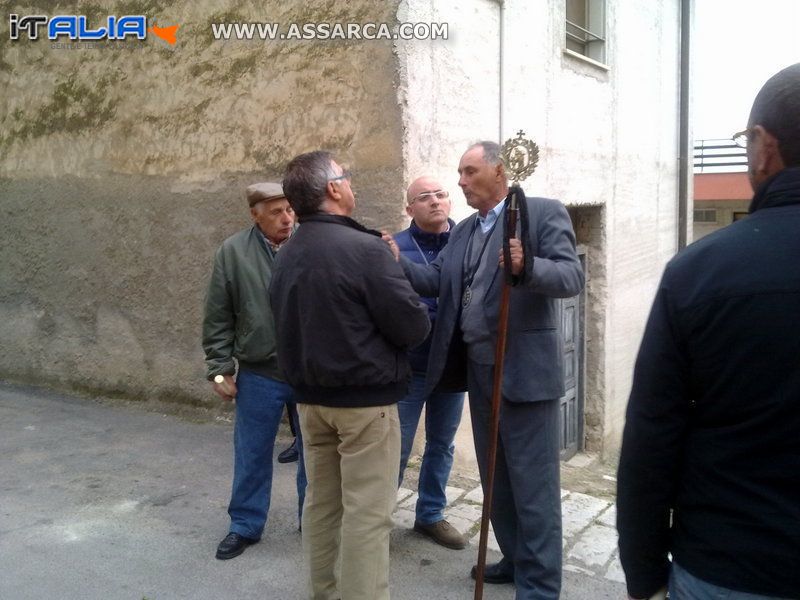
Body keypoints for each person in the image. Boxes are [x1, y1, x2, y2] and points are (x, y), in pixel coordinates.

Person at [617, 63, 800, 600]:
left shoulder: (700, 270)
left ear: (764, 147)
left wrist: (645, 572)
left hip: (729, 566)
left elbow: (652, 436)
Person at [394, 142, 584, 599]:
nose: (459, 181)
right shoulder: (464, 232)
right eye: (459, 172)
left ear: (499, 172)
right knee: (495, 477)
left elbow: (571, 277)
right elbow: (435, 281)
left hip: (524, 373)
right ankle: (517, 559)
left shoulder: (538, 213)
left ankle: (539, 585)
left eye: (469, 171)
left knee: (533, 486)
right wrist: (395, 259)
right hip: (478, 371)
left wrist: (527, 266)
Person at [269, 151, 430, 600]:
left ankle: (323, 593)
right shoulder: (365, 249)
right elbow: (414, 327)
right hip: (364, 407)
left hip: (310, 404)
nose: (352, 184)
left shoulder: (287, 251)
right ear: (334, 189)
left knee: (322, 506)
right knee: (367, 516)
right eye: (347, 177)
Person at [202, 182, 306, 560]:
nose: (286, 218)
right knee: (252, 451)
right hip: (260, 372)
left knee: (315, 452)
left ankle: (312, 522)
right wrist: (219, 370)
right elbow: (217, 316)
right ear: (255, 214)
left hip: (309, 371)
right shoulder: (233, 252)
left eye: (290, 210)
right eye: (276, 211)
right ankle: (244, 525)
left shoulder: (309, 244)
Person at [394, 176, 467, 550]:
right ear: (410, 209)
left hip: (451, 366)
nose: (435, 201)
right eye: (424, 197)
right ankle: (377, 518)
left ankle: (430, 515)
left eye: (441, 195)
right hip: (409, 366)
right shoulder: (396, 248)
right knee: (397, 446)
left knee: (442, 444)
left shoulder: (468, 243)